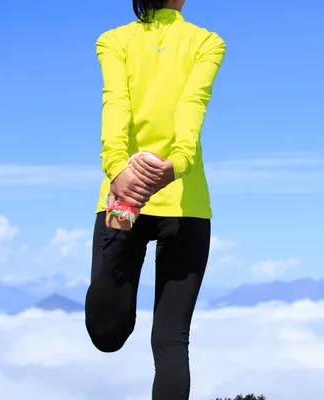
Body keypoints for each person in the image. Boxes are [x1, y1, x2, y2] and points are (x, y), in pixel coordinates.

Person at [84, 0, 226, 399]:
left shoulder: (114, 40)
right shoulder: (206, 42)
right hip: (179, 201)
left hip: (125, 197)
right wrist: (176, 165)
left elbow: (117, 103)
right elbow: (191, 105)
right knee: (161, 342)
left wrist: (118, 171)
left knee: (119, 334)